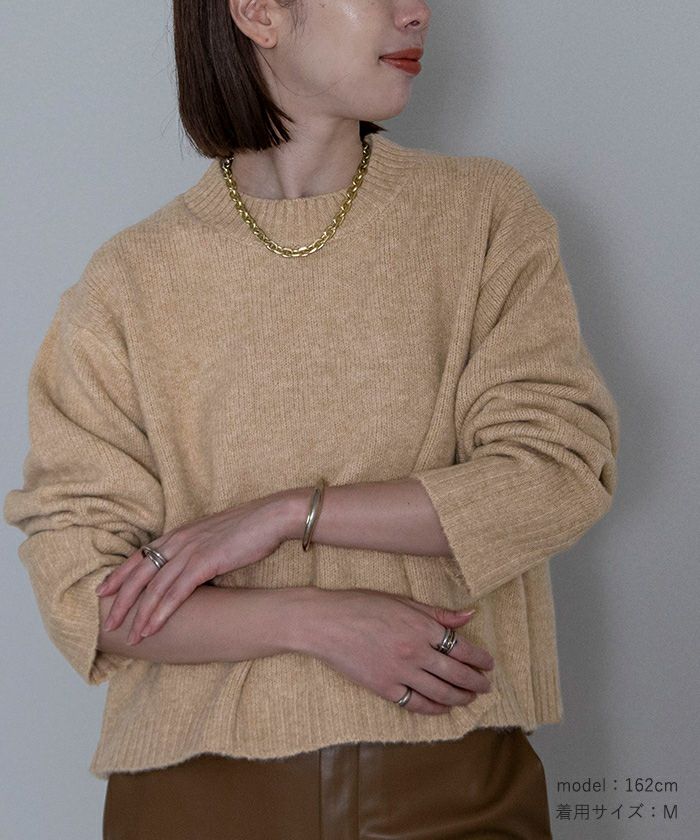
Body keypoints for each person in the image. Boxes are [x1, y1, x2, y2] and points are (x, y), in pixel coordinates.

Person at [3, 1, 620, 837]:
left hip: (455, 780)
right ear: (258, 11)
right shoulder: (130, 280)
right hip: (194, 801)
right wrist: (317, 620)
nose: (417, 12)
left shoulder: (482, 214)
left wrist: (284, 515)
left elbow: (557, 474)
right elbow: (83, 588)